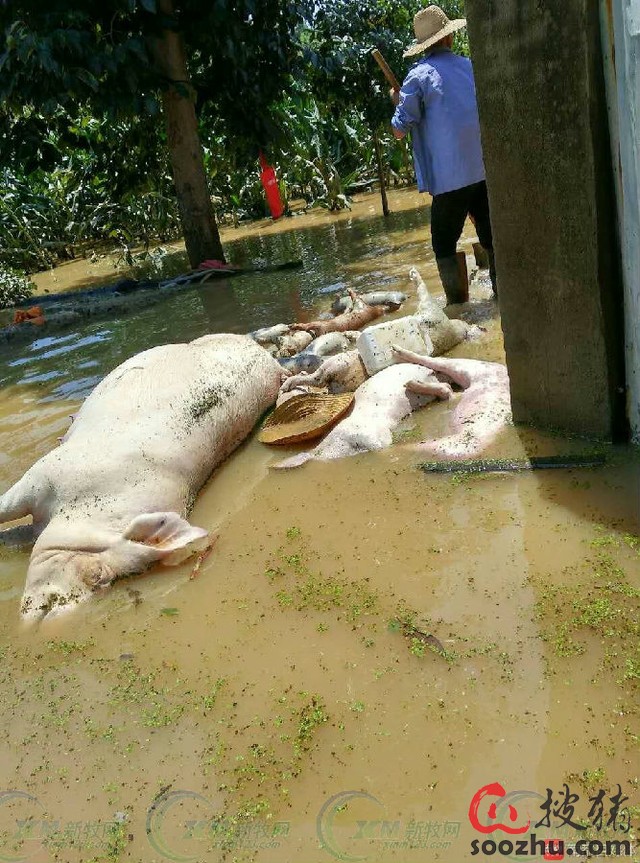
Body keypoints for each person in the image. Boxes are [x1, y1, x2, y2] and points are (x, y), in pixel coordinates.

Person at [390, 4, 497, 302]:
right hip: (483, 170)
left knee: (443, 244)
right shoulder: (470, 66)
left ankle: (458, 306)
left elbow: (400, 128)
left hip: (450, 179)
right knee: (492, 239)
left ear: (424, 46)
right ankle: (503, 299)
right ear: (449, 39)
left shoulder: (418, 77)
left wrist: (396, 102)